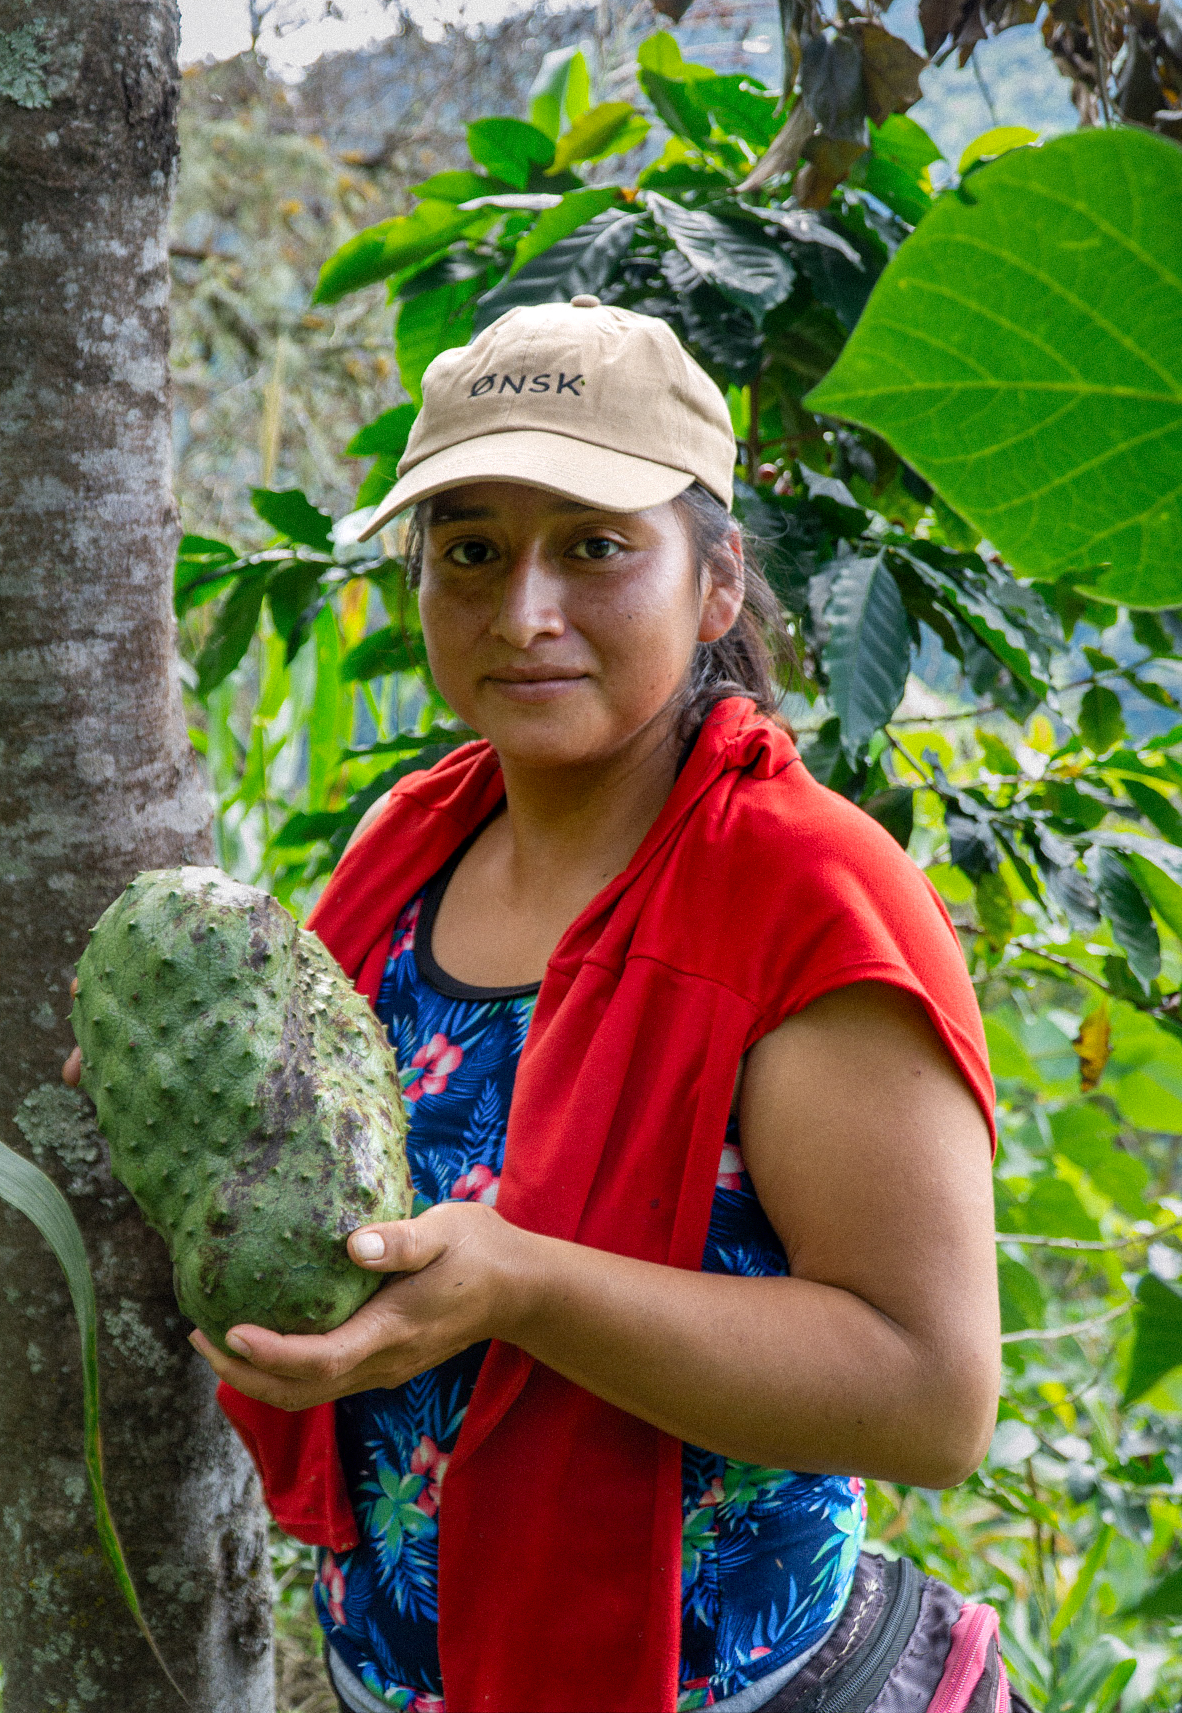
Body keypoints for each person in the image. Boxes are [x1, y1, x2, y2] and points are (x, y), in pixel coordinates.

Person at [79, 299, 1013, 1713]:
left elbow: (933, 1399)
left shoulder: (806, 893)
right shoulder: (415, 842)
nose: (522, 611)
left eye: (592, 545)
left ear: (713, 581)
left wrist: (520, 1288)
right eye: (470, 550)